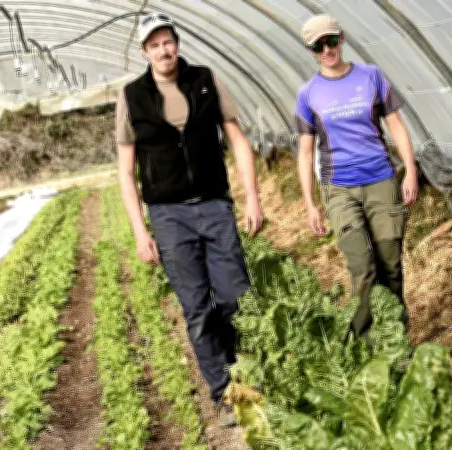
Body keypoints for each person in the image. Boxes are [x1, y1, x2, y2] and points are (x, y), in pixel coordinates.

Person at [114, 12, 264, 427]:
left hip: (214, 205)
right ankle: (225, 394)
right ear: (144, 51)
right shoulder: (132, 96)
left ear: (176, 43)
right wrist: (140, 230)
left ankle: (248, 375)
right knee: (197, 309)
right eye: (154, 44)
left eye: (168, 41)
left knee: (235, 298)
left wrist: (252, 198)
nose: (163, 50)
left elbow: (238, 140)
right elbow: (125, 171)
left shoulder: (205, 79)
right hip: (169, 216)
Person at [294, 14, 418, 344]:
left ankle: (395, 337)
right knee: (362, 266)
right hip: (339, 188)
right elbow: (305, 153)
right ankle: (364, 341)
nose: (327, 50)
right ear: (310, 51)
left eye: (331, 41)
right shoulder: (308, 94)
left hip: (381, 180)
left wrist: (410, 170)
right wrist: (310, 203)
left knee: (390, 262)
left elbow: (396, 126)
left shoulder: (371, 76)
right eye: (318, 46)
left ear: (342, 39)